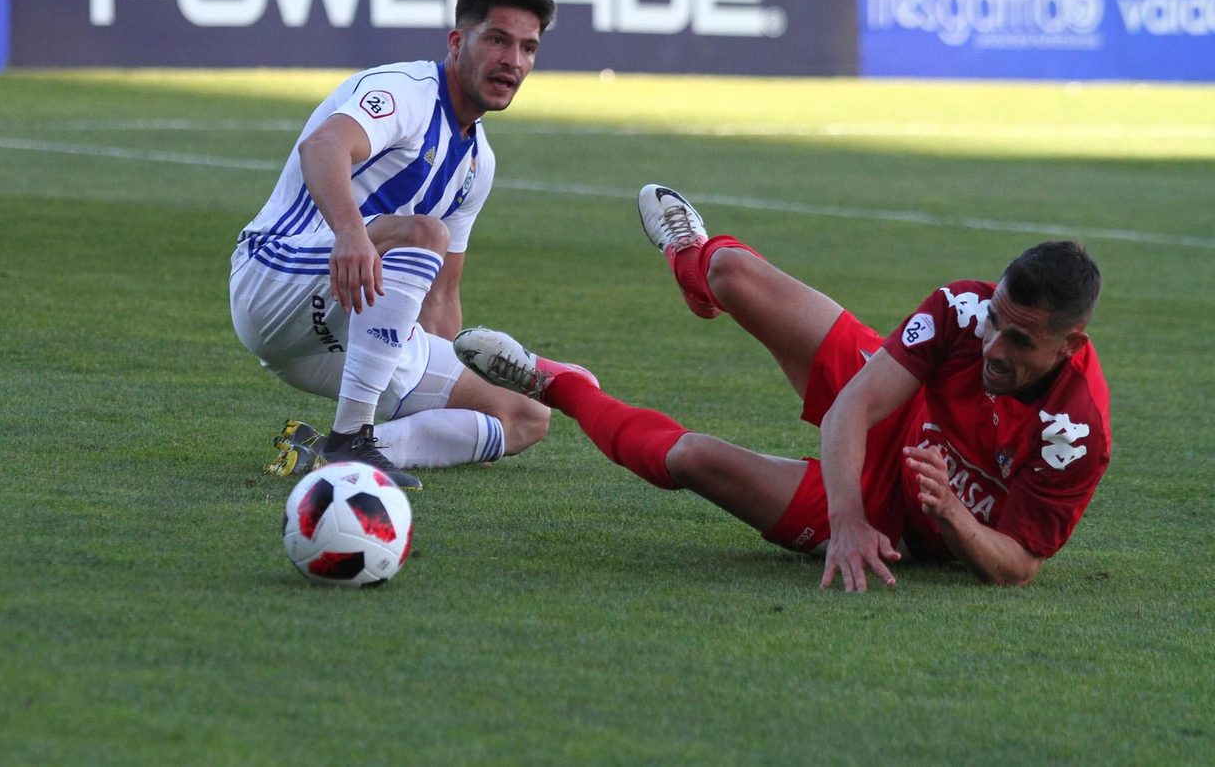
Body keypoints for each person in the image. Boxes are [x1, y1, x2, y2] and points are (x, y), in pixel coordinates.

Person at [456, 185, 1110, 591]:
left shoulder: (1076, 431)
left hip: (899, 526)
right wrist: (845, 520)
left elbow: (1019, 564)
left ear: (1070, 343)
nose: (994, 345)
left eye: (1019, 340)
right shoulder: (962, 311)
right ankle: (691, 264)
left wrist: (951, 518)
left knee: (691, 459)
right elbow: (855, 404)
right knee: (732, 269)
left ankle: (561, 385)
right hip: (891, 430)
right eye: (996, 319)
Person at [234, 0, 559, 491]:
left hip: (344, 334)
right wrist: (349, 233)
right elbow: (322, 147)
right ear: (458, 41)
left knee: (521, 418)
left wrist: (452, 403)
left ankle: (327, 452)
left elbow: (442, 292)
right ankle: (351, 438)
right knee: (424, 232)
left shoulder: (478, 163)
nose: (513, 61)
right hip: (277, 280)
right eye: (497, 39)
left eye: (528, 48)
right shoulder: (405, 92)